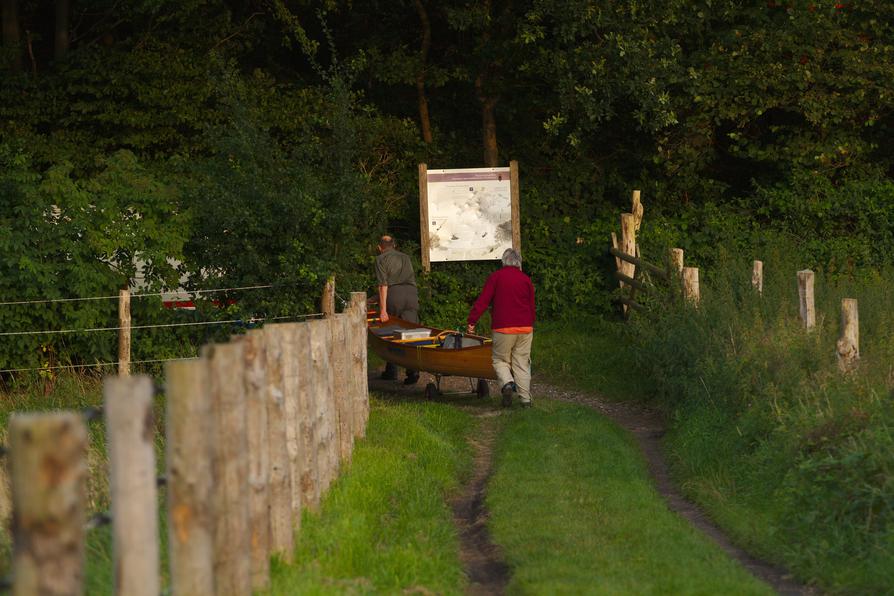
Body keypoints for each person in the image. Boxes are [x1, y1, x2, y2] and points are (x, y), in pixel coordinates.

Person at [466, 248, 535, 407]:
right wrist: (531, 323)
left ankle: (507, 384)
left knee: (500, 360)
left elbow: (483, 301)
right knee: (522, 363)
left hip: (503, 327)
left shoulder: (496, 277)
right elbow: (531, 305)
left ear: (504, 261)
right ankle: (525, 401)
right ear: (519, 262)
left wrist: (472, 321)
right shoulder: (526, 279)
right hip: (525, 327)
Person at [375, 235, 420, 384]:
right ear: (394, 245)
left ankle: (391, 370)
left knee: (391, 331)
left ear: (380, 247)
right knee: (411, 333)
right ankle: (413, 372)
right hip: (412, 294)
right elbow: (402, 282)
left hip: (394, 297)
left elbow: (384, 286)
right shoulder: (405, 257)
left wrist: (382, 310)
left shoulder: (381, 259)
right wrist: (373, 299)